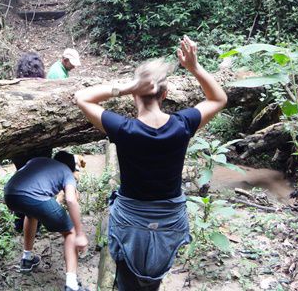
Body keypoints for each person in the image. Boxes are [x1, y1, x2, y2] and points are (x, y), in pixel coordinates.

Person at [74, 36, 227, 291]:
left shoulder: (124, 129)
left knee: (126, 282)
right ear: (165, 94)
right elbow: (218, 99)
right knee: (153, 281)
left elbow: (82, 98)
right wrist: (195, 68)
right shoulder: (182, 124)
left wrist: (126, 86)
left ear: (135, 94)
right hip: (170, 220)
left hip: (130, 220)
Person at [4, 151, 90, 291]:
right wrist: (80, 233)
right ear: (71, 168)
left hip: (10, 193)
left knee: (31, 214)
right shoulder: (67, 172)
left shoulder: (39, 160)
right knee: (70, 232)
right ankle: (72, 285)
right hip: (33, 197)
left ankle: (27, 259)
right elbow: (70, 199)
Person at [11, 53, 53, 232]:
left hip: (19, 146)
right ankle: (36, 219)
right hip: (42, 144)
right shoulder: (48, 89)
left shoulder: (11, 91)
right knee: (39, 181)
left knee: (22, 177)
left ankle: (22, 219)